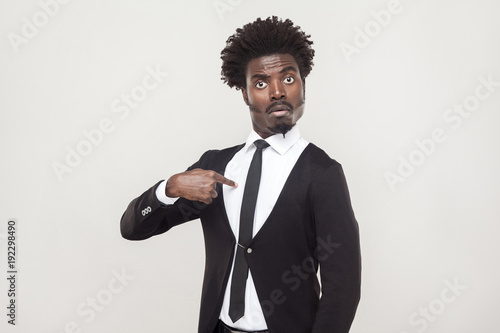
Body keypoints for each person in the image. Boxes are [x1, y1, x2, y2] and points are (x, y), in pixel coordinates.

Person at [120, 16, 361, 333]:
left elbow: (342, 287)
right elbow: (132, 229)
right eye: (261, 83)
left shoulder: (322, 173)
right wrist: (170, 187)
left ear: (302, 86)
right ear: (245, 94)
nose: (276, 92)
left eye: (288, 79)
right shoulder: (216, 165)